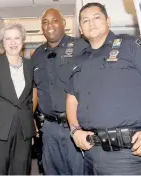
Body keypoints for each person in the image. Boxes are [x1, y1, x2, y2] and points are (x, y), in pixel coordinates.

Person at [66, 2, 141, 175]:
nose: (91, 23)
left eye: (97, 18)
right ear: (80, 28)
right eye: (85, 20)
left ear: (108, 21)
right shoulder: (78, 61)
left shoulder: (131, 46)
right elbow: (72, 99)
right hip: (89, 152)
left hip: (124, 155)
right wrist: (75, 130)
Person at [32, 8, 88, 175]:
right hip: (48, 129)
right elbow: (34, 89)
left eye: (54, 20)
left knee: (79, 172)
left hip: (75, 126)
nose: (50, 25)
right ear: (41, 27)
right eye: (45, 22)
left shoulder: (81, 47)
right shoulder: (37, 55)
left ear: (63, 23)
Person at [0, 23, 35, 175]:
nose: (13, 42)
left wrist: (30, 129)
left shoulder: (30, 65)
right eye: (8, 39)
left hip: (23, 131)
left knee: (21, 171)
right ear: (2, 42)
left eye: (17, 38)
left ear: (23, 41)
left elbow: (29, 99)